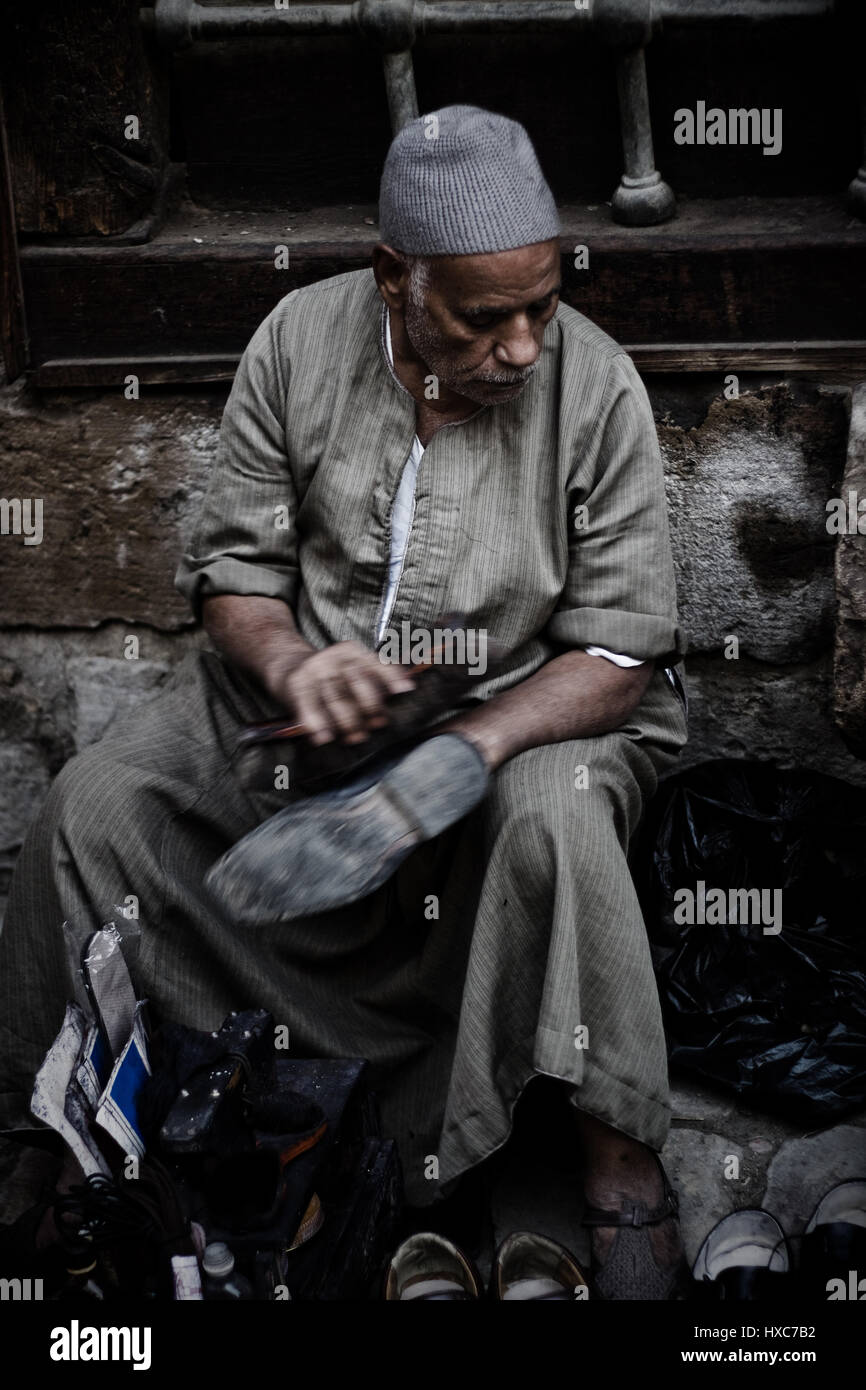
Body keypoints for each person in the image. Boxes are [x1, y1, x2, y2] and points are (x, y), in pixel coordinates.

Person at [0, 105, 688, 1297]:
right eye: (483, 317)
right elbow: (234, 576)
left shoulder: (597, 387)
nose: (522, 346)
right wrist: (291, 666)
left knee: (556, 812)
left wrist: (464, 749)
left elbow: (619, 653)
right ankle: (82, 1145)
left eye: (541, 304)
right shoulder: (296, 341)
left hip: (525, 712)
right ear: (392, 279)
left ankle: (615, 1158)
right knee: (92, 806)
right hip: (300, 720)